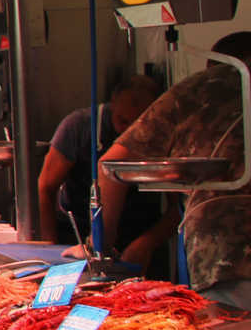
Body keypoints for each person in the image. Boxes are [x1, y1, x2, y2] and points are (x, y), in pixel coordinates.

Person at [99, 32, 251, 330]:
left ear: (213, 64)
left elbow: (112, 165)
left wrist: (103, 247)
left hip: (238, 271)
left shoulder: (206, 86)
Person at [35, 76, 166, 266]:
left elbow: (178, 208)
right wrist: (49, 246)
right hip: (77, 236)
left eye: (138, 126)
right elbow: (46, 186)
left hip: (140, 234)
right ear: (112, 105)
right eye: (122, 121)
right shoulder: (78, 127)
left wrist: (146, 244)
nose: (128, 132)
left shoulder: (163, 134)